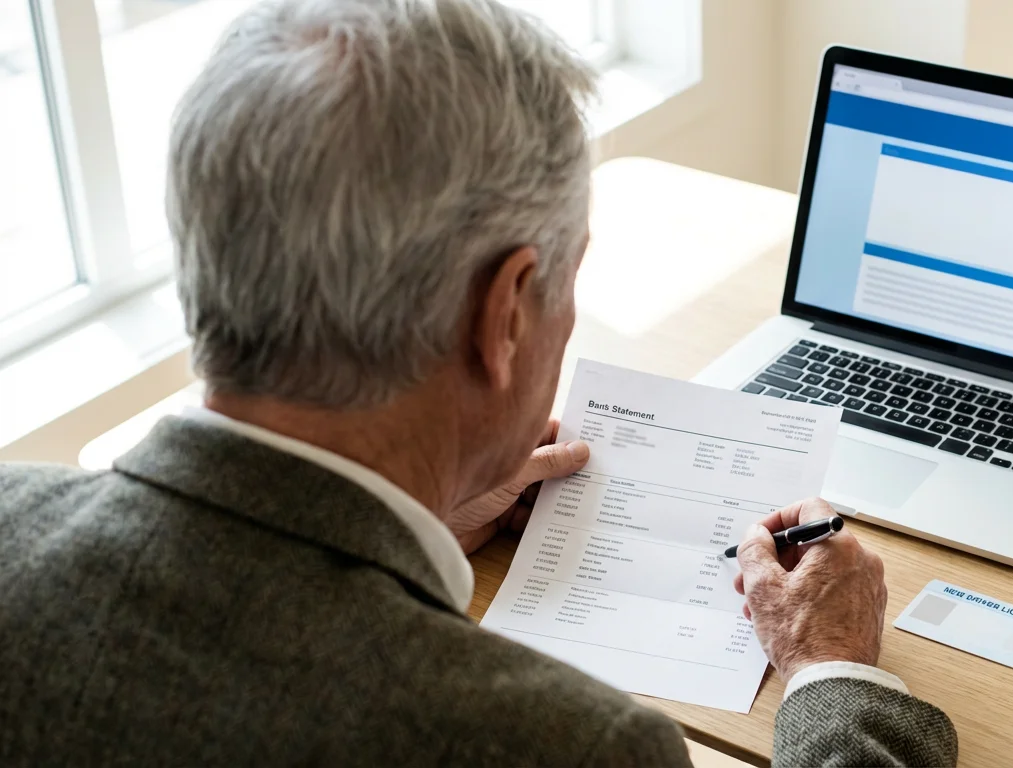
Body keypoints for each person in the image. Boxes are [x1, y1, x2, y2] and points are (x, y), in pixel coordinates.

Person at [0, 1, 957, 765]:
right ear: (504, 314)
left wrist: (424, 526)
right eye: (568, 279)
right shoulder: (564, 745)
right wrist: (834, 680)